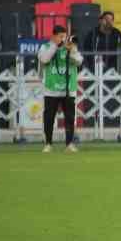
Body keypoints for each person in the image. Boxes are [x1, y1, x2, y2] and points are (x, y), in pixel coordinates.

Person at [38, 25, 82, 153]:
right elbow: (44, 59)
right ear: (53, 36)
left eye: (64, 36)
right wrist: (55, 46)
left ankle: (69, 144)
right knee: (49, 118)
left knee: (70, 117)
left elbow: (79, 61)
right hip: (51, 88)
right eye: (60, 36)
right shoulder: (45, 47)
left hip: (68, 88)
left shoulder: (70, 47)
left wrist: (71, 50)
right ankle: (48, 143)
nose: (63, 39)